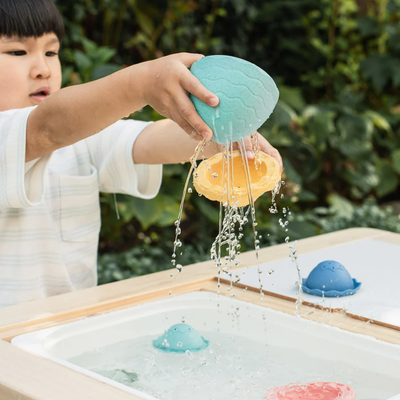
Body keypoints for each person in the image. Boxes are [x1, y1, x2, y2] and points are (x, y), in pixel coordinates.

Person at [0, 0, 282, 307]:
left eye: (51, 52)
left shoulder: (80, 139)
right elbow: (47, 128)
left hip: (66, 331)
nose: (43, 69)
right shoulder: (46, 130)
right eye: (17, 52)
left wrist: (221, 135)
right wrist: (142, 84)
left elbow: (149, 141)